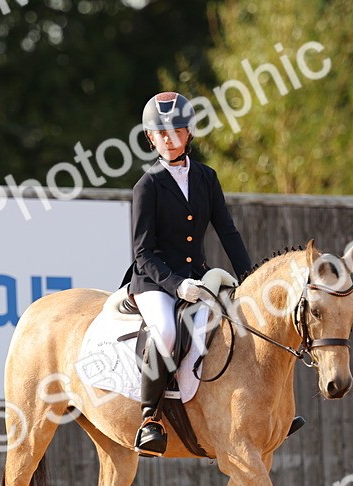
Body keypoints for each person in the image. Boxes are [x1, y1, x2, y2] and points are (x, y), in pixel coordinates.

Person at [121, 91, 303, 456]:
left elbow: (228, 232)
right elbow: (142, 253)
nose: (170, 139)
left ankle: (271, 412)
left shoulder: (206, 178)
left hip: (200, 277)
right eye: (162, 133)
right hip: (155, 282)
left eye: (177, 130)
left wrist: (251, 282)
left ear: (189, 133)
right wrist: (177, 284)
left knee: (242, 324)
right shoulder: (148, 186)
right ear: (151, 138)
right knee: (169, 333)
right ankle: (149, 419)